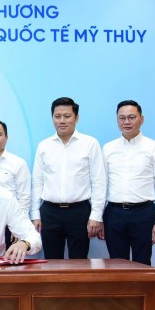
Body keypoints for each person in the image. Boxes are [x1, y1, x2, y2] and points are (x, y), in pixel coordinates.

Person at [30, 97, 106, 259]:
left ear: (76, 117)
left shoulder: (90, 143)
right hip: (50, 212)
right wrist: (35, 214)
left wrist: (96, 215)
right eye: (57, 116)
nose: (62, 121)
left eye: (67, 116)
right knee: (51, 261)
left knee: (79, 262)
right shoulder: (44, 146)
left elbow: (99, 182)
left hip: (79, 212)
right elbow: (37, 182)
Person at [102, 100, 155, 265]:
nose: (126, 122)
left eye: (131, 117)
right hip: (114, 214)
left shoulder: (154, 148)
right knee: (116, 265)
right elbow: (101, 186)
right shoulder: (108, 148)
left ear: (142, 119)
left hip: (143, 214)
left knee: (143, 264)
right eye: (122, 118)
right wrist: (98, 217)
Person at [0, 119, 31, 245]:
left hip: (9, 223)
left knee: (10, 256)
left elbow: (24, 198)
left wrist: (19, 227)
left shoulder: (18, 163)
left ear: (6, 137)